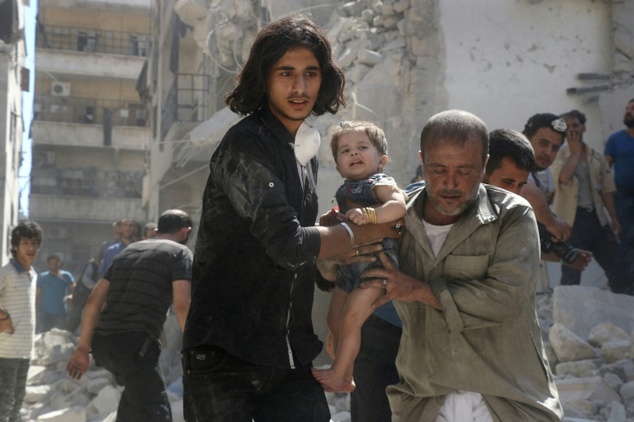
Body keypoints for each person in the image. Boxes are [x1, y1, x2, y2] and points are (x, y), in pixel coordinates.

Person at [181, 15, 398, 421]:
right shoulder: (245, 144)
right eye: (286, 73)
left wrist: (333, 259)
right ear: (264, 79)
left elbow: (304, 254)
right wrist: (360, 229)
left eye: (310, 74)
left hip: (288, 356)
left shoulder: (305, 154)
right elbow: (287, 243)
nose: (300, 88)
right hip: (224, 355)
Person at [360, 110, 563, 421]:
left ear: (483, 165)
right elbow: (348, 267)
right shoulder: (398, 217)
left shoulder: (512, 215)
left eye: (465, 171)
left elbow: (506, 298)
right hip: (426, 399)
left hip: (504, 399)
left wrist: (419, 290)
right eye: (438, 169)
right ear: (422, 160)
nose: (450, 183)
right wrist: (337, 248)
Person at [66, 209, 194, 422]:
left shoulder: (128, 251)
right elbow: (182, 304)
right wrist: (194, 350)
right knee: (156, 410)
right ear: (185, 232)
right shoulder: (180, 253)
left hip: (103, 344)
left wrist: (82, 348)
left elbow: (93, 300)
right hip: (135, 346)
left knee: (134, 400)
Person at [312, 121, 407, 393]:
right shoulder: (346, 189)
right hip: (348, 268)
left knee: (351, 319)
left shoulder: (379, 182)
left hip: (375, 268)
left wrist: (371, 216)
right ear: (338, 166)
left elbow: (398, 207)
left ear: (382, 159)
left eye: (362, 147)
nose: (354, 153)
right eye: (346, 151)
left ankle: (339, 374)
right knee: (335, 320)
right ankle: (346, 374)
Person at [551, 110, 631, 294]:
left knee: (617, 267)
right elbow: (563, 178)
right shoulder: (559, 155)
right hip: (572, 221)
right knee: (572, 270)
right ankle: (566, 317)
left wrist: (613, 218)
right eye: (568, 127)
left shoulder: (596, 157)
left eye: (576, 125)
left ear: (584, 127)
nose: (573, 130)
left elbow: (607, 190)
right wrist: (575, 153)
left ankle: (626, 310)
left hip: (596, 218)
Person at [521, 113, 592, 276]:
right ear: (525, 138)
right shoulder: (511, 157)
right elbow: (525, 189)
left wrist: (564, 255)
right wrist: (552, 222)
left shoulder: (540, 176)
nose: (548, 152)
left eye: (554, 148)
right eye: (543, 143)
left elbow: (522, 242)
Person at [0, 221, 43, 422]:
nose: (31, 248)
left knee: (17, 403)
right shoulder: (6, 273)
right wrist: (4, 319)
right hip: (5, 351)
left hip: (24, 351)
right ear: (16, 246)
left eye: (35, 243)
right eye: (26, 242)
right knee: (4, 403)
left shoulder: (32, 274)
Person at [604, 98, 634, 284]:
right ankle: (628, 285)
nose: (628, 111)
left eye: (632, 108)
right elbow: (605, 170)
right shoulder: (616, 139)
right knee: (627, 240)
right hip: (624, 199)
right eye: (627, 108)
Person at [36, 254, 74, 333]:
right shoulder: (42, 277)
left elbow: (73, 289)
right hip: (45, 313)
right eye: (51, 264)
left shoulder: (66, 276)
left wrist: (70, 296)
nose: (54, 266)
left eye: (56, 263)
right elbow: (38, 294)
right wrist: (38, 308)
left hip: (60, 313)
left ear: (60, 263)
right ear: (48, 264)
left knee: (57, 336)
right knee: (42, 335)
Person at [65, 257, 100, 334]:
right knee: (76, 314)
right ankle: (69, 333)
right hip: (82, 294)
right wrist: (97, 287)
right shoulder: (92, 265)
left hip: (93, 295)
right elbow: (85, 279)